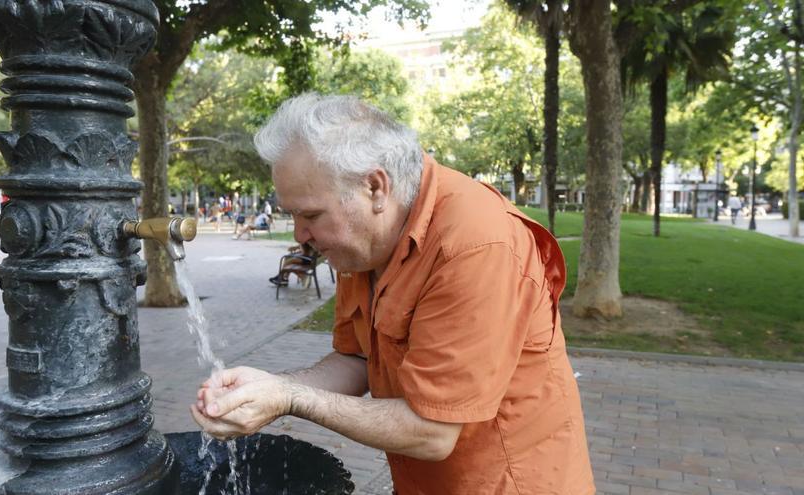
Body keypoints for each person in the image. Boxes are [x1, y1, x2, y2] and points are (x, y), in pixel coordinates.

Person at [191, 94, 594, 494]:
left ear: (375, 187)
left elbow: (432, 431)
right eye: (292, 214)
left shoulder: (476, 244)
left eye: (311, 214)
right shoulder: (364, 242)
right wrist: (267, 388)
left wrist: (290, 397)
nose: (300, 234)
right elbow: (356, 360)